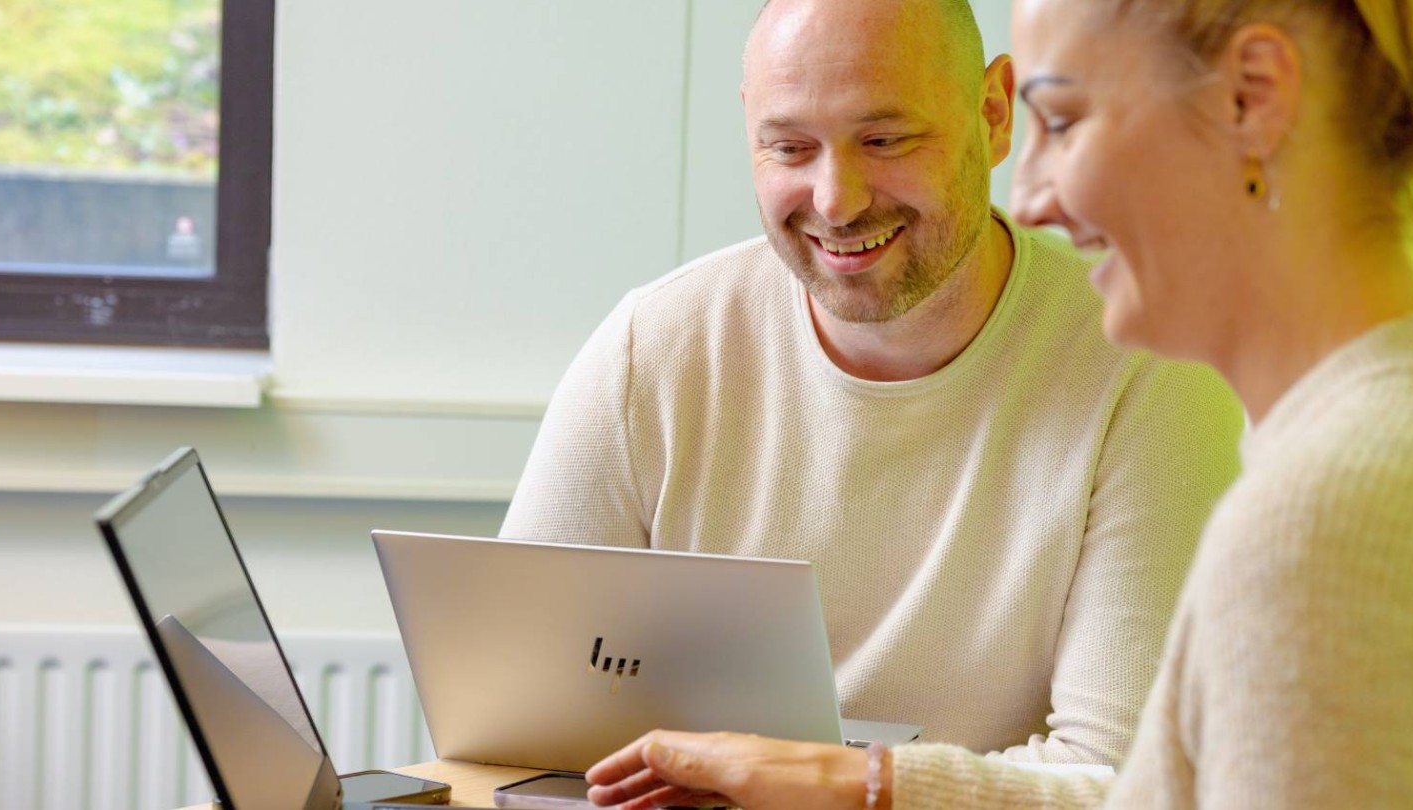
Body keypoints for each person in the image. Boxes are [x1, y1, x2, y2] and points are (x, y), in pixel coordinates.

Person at [578, 0, 1413, 807]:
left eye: (1060, 121)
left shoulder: (1335, 513)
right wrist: (845, 784)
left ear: (1250, 100)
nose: (1036, 195)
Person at [500, 0, 1243, 768]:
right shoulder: (652, 348)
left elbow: (1121, 777)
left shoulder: (1148, 363)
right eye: (790, 148)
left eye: (885, 140)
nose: (837, 201)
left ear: (993, 116)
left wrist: (832, 783)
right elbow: (510, 721)